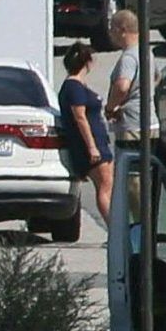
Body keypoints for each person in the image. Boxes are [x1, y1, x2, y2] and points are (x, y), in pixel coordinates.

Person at [57, 42, 113, 226]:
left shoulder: (79, 86)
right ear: (86, 62)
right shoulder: (73, 87)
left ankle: (117, 228)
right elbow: (80, 117)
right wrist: (92, 147)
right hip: (91, 145)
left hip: (100, 142)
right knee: (104, 188)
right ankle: (114, 229)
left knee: (109, 186)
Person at [103, 9, 145, 145]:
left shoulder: (128, 58)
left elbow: (122, 87)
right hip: (148, 122)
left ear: (122, 30)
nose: (110, 34)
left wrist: (110, 108)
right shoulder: (146, 52)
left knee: (128, 164)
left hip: (131, 126)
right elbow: (157, 77)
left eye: (112, 29)